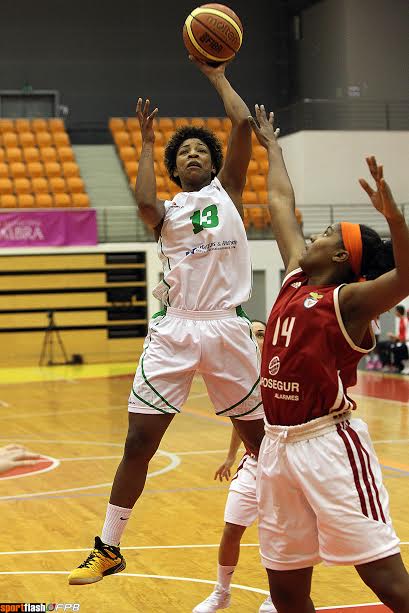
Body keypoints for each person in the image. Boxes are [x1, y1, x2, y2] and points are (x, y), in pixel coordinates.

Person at [68, 58, 265, 586]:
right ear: (176, 168)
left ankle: (293, 524)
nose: (194, 153)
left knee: (262, 443)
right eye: (185, 153)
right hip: (176, 329)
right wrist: (149, 144)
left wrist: (217, 75)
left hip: (225, 327)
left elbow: (243, 125)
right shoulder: (168, 212)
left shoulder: (229, 193)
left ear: (215, 161)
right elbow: (142, 202)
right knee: (138, 443)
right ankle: (109, 547)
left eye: (202, 148)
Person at [248, 104, 409, 613]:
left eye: (324, 236)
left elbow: (406, 278)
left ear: (341, 258)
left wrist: (393, 216)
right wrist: (272, 148)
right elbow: (278, 200)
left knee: (385, 579)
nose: (311, 237)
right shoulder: (296, 279)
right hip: (276, 447)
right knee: (286, 587)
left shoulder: (350, 302)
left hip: (327, 446)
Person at [193, 320, 276, 613]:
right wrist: (230, 456)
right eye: (251, 333)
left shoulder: (281, 371)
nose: (256, 337)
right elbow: (241, 420)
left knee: (274, 533)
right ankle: (221, 592)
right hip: (253, 463)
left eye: (261, 332)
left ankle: (275, 595)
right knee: (231, 528)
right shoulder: (242, 376)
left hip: (281, 464)